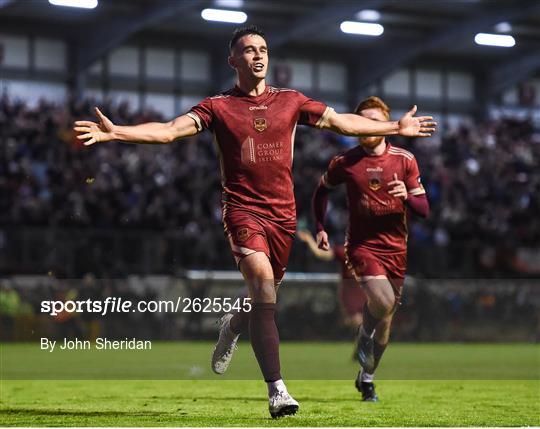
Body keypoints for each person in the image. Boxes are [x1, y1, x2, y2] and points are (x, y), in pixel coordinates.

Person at [74, 26, 436, 417]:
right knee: (264, 287)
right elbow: (169, 131)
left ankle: (232, 325)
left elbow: (345, 123)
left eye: (262, 49)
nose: (258, 55)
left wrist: (394, 128)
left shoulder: (291, 101)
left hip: (283, 215)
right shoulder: (217, 107)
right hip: (243, 212)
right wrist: (118, 133)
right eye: (248, 50)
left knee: (263, 299)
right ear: (233, 60)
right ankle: (277, 390)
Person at [312, 96, 430, 402]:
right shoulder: (345, 162)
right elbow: (321, 190)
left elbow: (424, 209)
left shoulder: (405, 160)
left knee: (386, 321)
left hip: (396, 251)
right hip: (362, 248)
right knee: (383, 301)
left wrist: (407, 196)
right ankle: (364, 336)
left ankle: (367, 379)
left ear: (387, 125)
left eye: (374, 121)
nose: (366, 126)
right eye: (362, 120)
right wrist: (321, 227)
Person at [297, 230, 365, 329]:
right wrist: (309, 240)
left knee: (362, 324)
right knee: (358, 323)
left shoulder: (372, 254)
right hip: (350, 294)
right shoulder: (344, 252)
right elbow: (321, 254)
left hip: (367, 293)